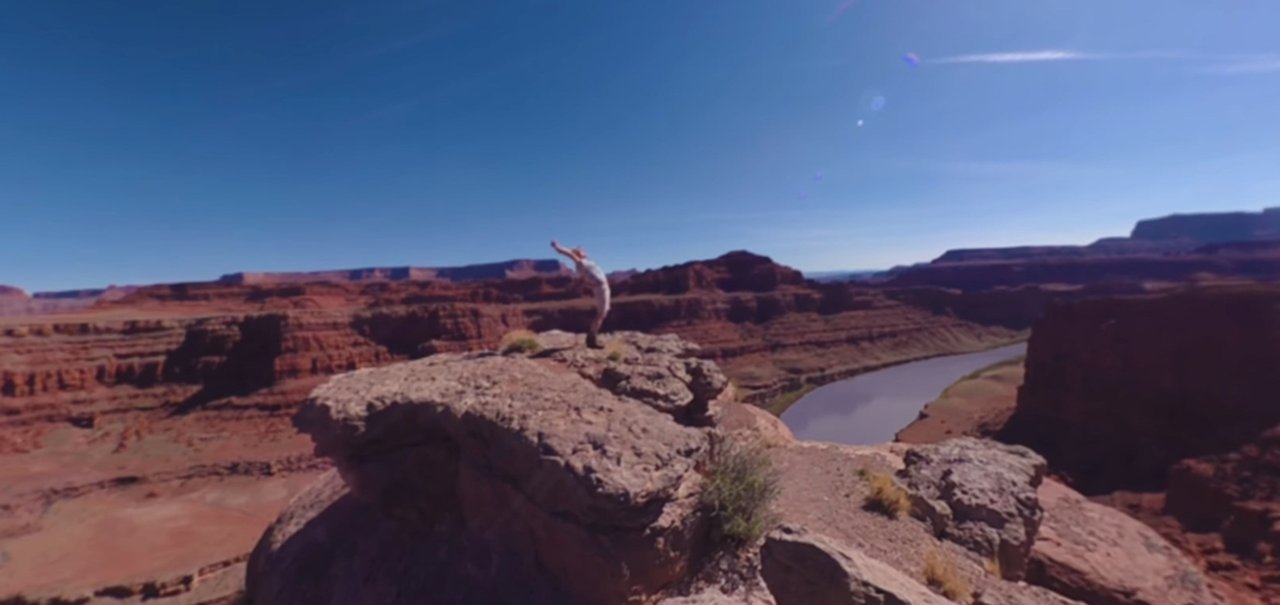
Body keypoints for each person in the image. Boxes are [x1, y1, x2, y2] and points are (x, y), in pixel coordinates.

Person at [551, 240, 610, 348]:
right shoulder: (580, 262)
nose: (584, 251)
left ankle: (592, 337)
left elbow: (583, 279)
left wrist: (581, 286)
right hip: (601, 288)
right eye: (581, 250)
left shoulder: (584, 263)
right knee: (601, 314)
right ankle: (591, 340)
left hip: (603, 287)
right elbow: (569, 253)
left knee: (603, 313)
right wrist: (558, 247)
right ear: (578, 253)